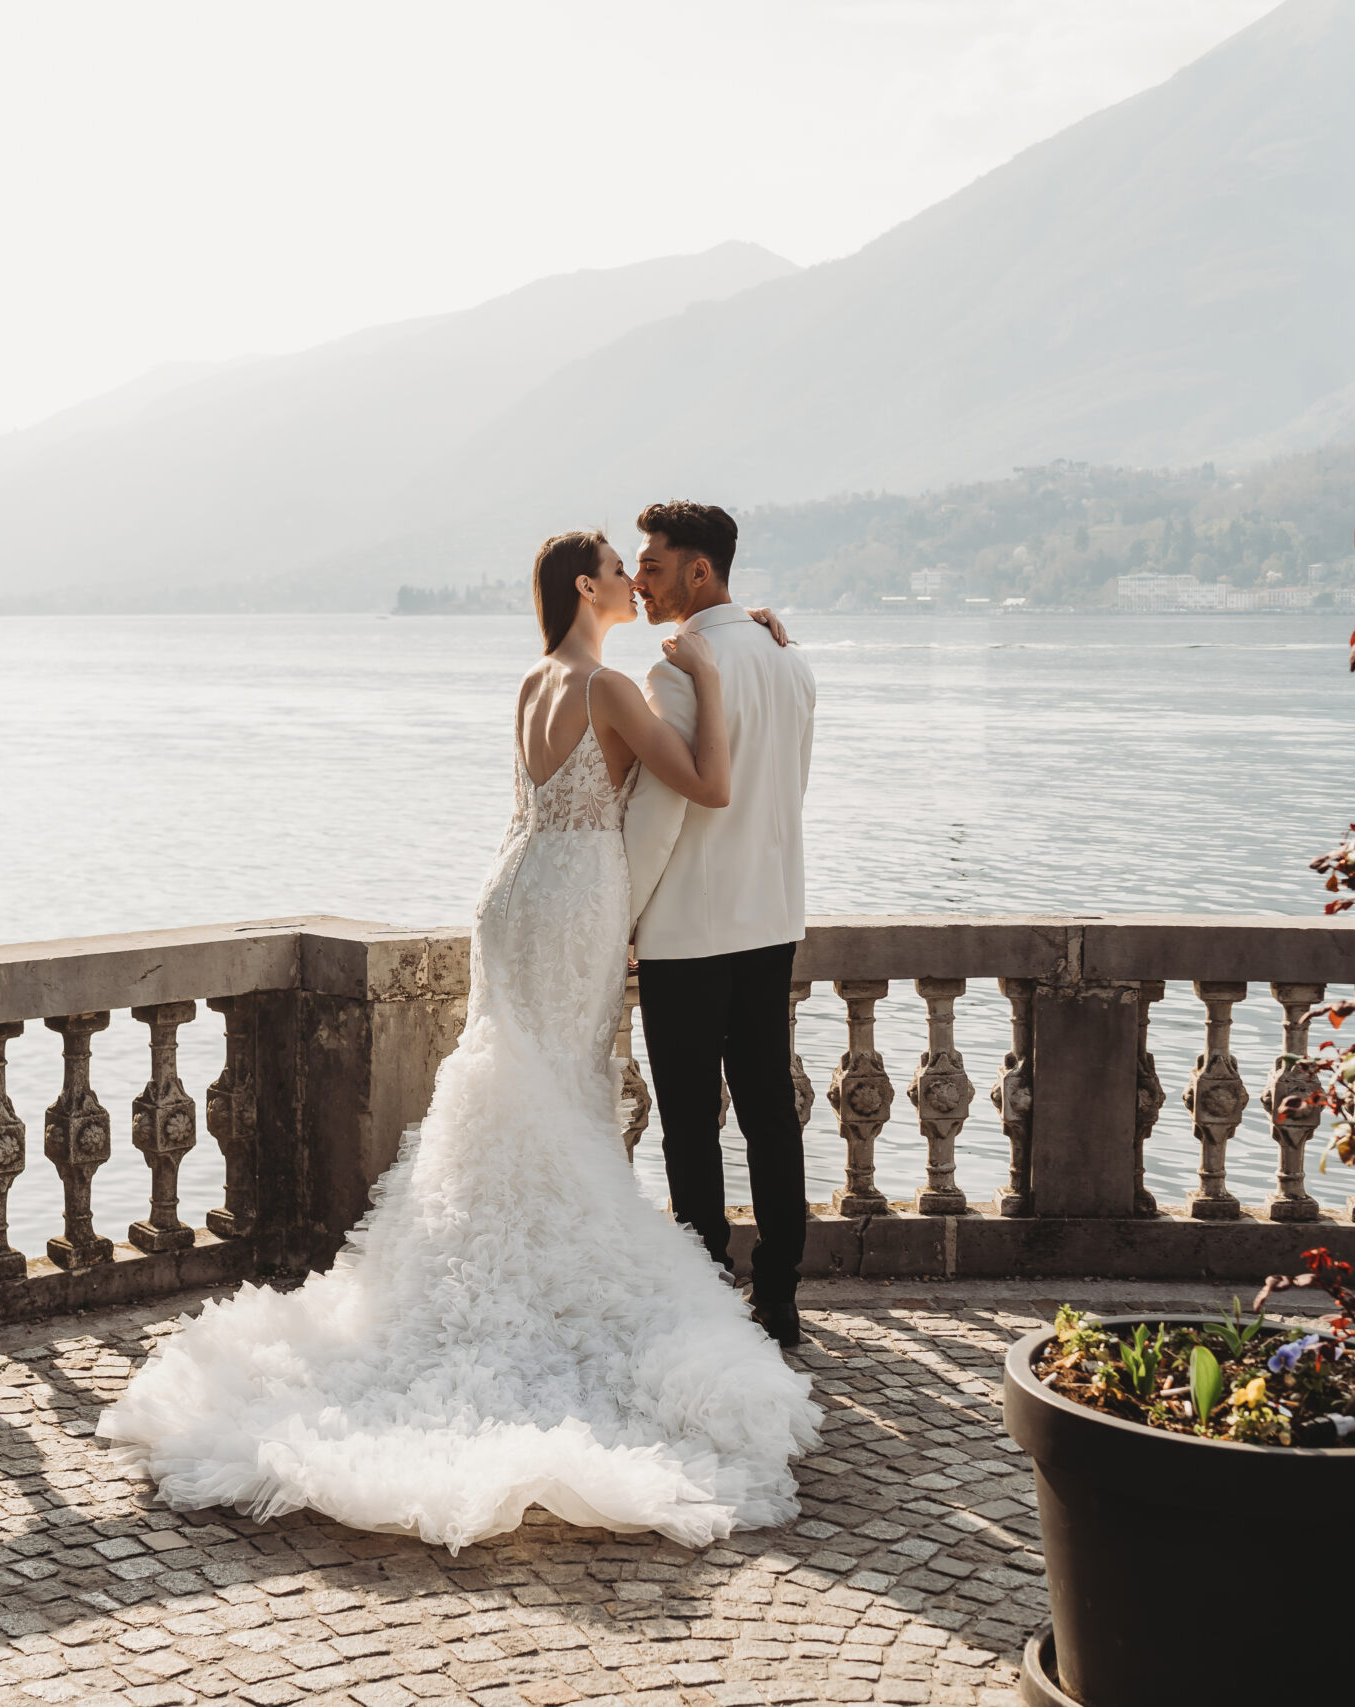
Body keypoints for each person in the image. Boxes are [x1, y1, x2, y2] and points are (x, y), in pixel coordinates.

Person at [98, 529, 820, 1552]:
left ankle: (481, 1267)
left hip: (513, 893)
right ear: (586, 585)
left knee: (516, 1079)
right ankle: (560, 1288)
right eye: (618, 569)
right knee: (561, 1086)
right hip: (574, 897)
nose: (630, 580)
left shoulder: (533, 681)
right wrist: (707, 662)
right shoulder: (611, 688)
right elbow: (707, 784)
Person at [623, 500, 818, 1347]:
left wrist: (617, 915)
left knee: (691, 1120)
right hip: (771, 915)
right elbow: (792, 785)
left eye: (655, 567)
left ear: (700, 570)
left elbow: (657, 819)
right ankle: (778, 1296)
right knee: (771, 1111)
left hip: (690, 929)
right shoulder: (789, 660)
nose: (641, 581)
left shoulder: (677, 672)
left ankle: (705, 1294)